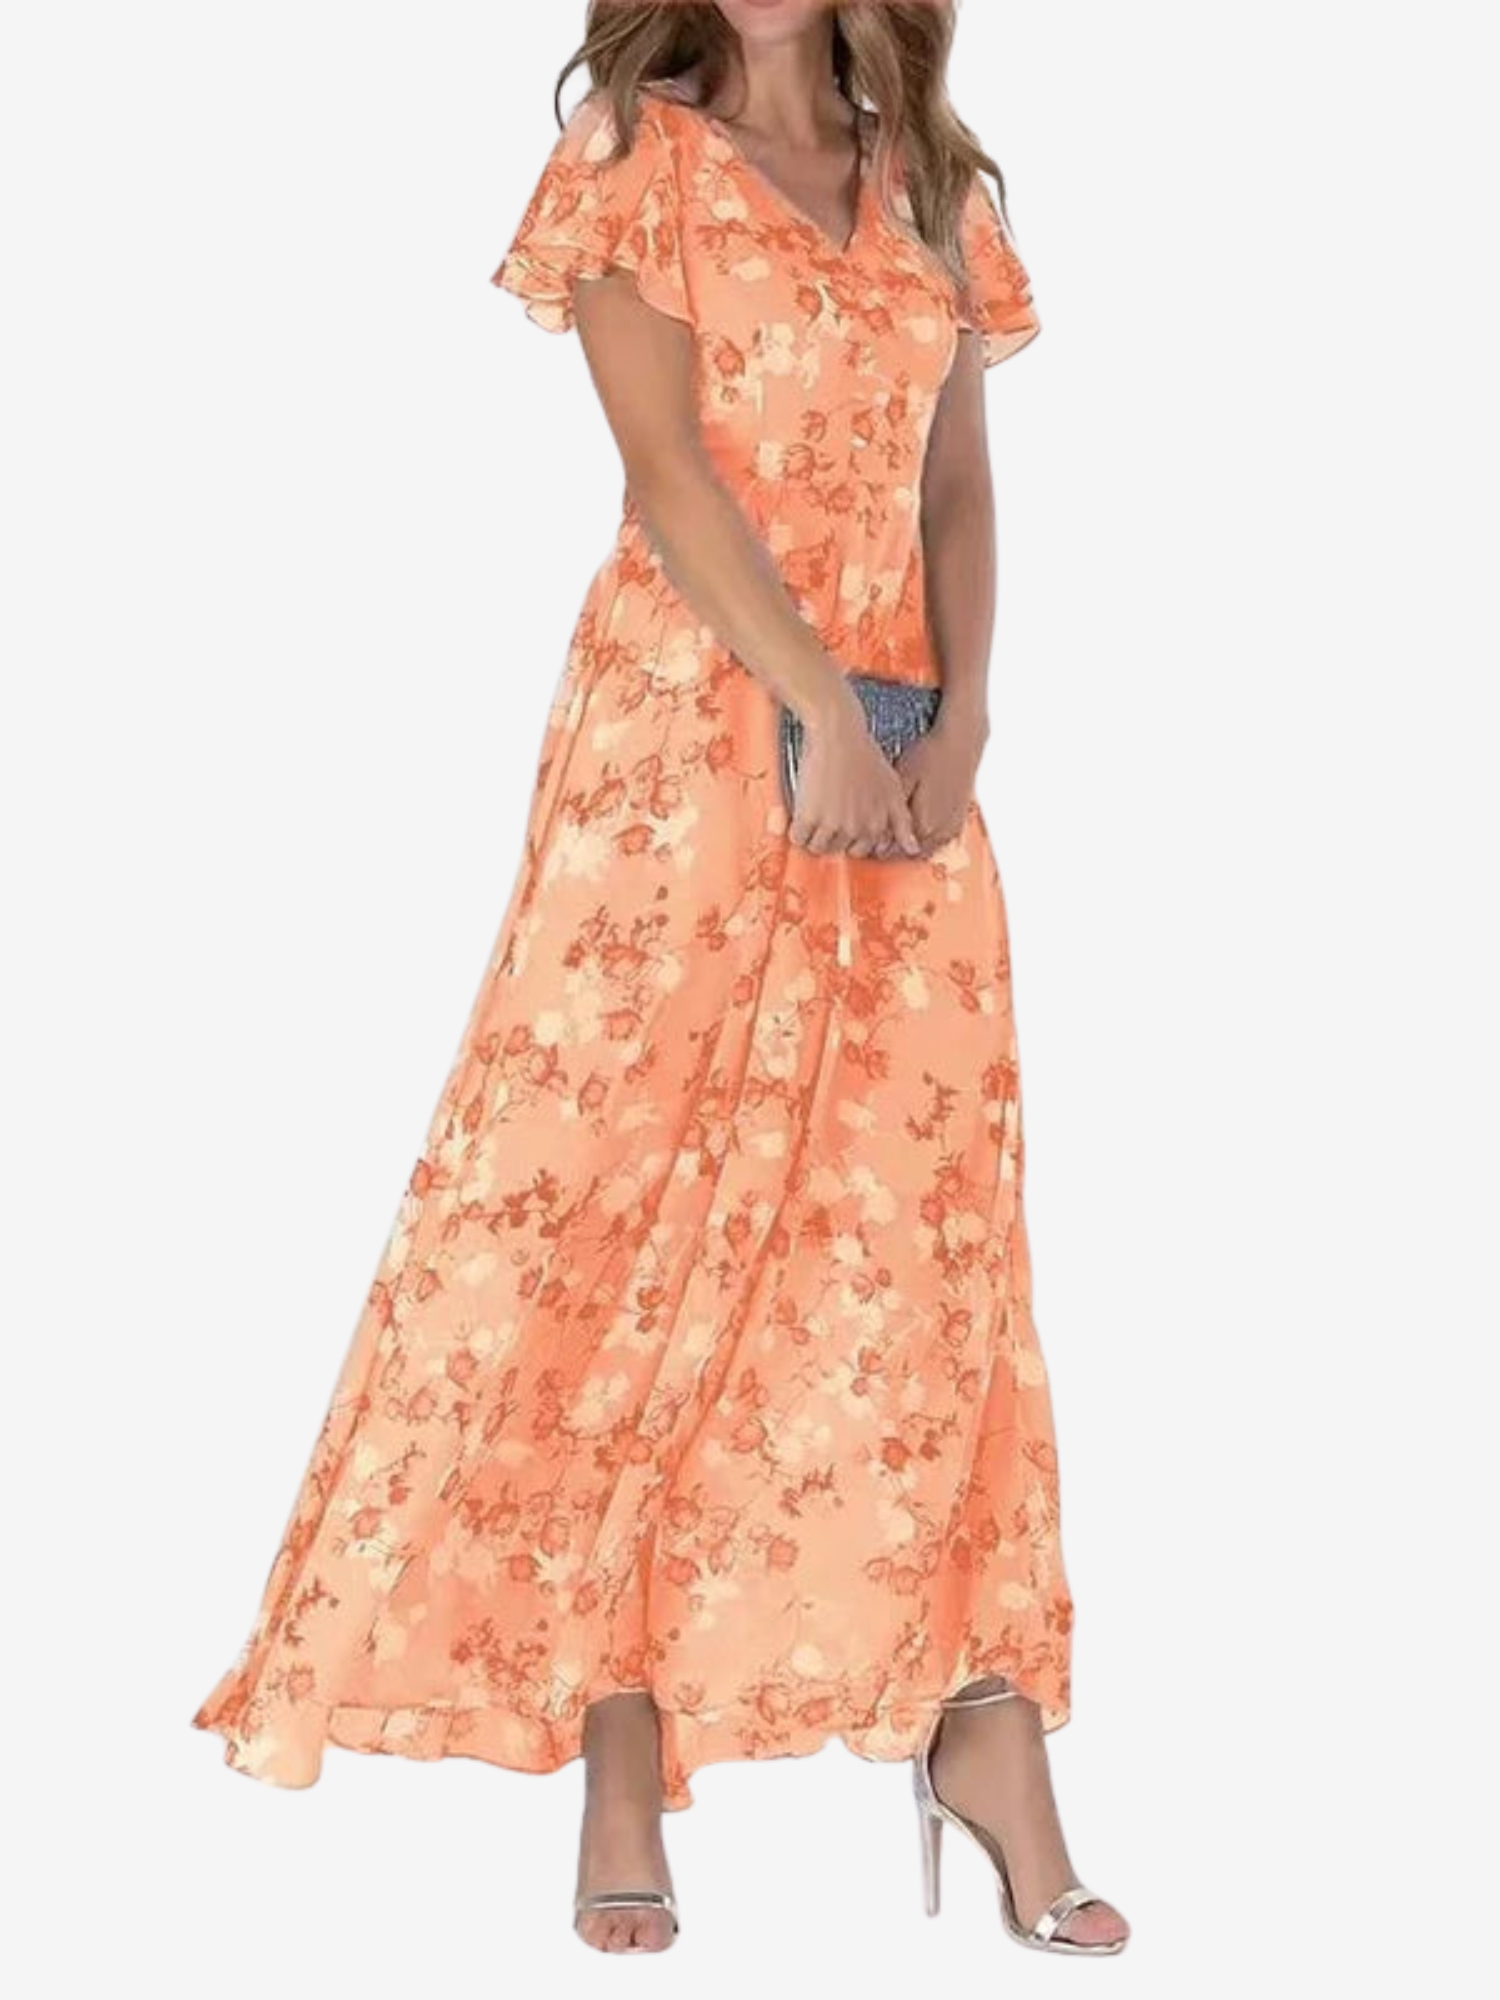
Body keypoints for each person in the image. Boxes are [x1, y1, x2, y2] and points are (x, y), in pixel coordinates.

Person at [192, 0, 1130, 1960]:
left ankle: (986, 1719)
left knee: (922, 1233)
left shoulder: (935, 183)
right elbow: (669, 477)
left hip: (908, 761)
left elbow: (958, 478)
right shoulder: (634, 164)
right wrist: (823, 711)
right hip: (688, 744)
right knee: (621, 1220)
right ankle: (621, 1732)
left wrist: (962, 717)